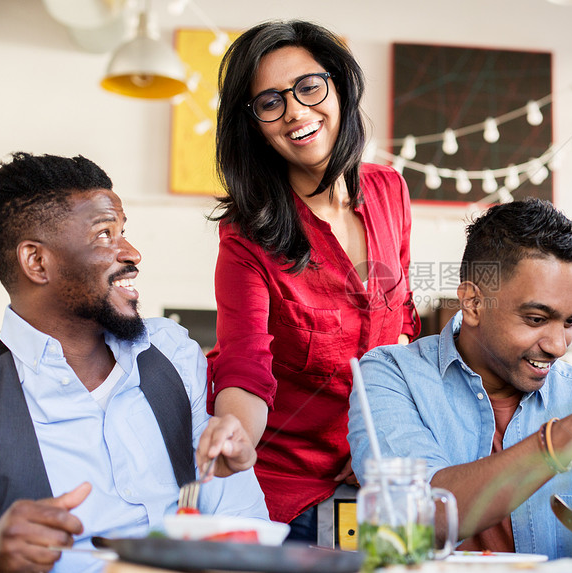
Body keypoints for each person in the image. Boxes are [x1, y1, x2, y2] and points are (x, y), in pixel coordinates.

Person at [347, 198, 572, 559]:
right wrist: (563, 437)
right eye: (537, 319)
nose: (558, 346)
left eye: (570, 322)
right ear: (473, 304)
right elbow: (426, 515)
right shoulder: (390, 376)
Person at [0, 152, 268, 573]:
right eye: (105, 234)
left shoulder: (171, 353)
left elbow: (243, 526)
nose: (133, 253)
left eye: (124, 232)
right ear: (37, 261)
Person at [206, 19, 420, 542]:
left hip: (375, 480)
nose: (297, 112)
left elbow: (404, 325)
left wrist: (377, 435)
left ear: (339, 85)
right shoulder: (247, 236)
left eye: (308, 87)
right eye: (270, 102)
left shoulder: (389, 189)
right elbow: (244, 363)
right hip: (286, 489)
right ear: (253, 123)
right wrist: (234, 431)